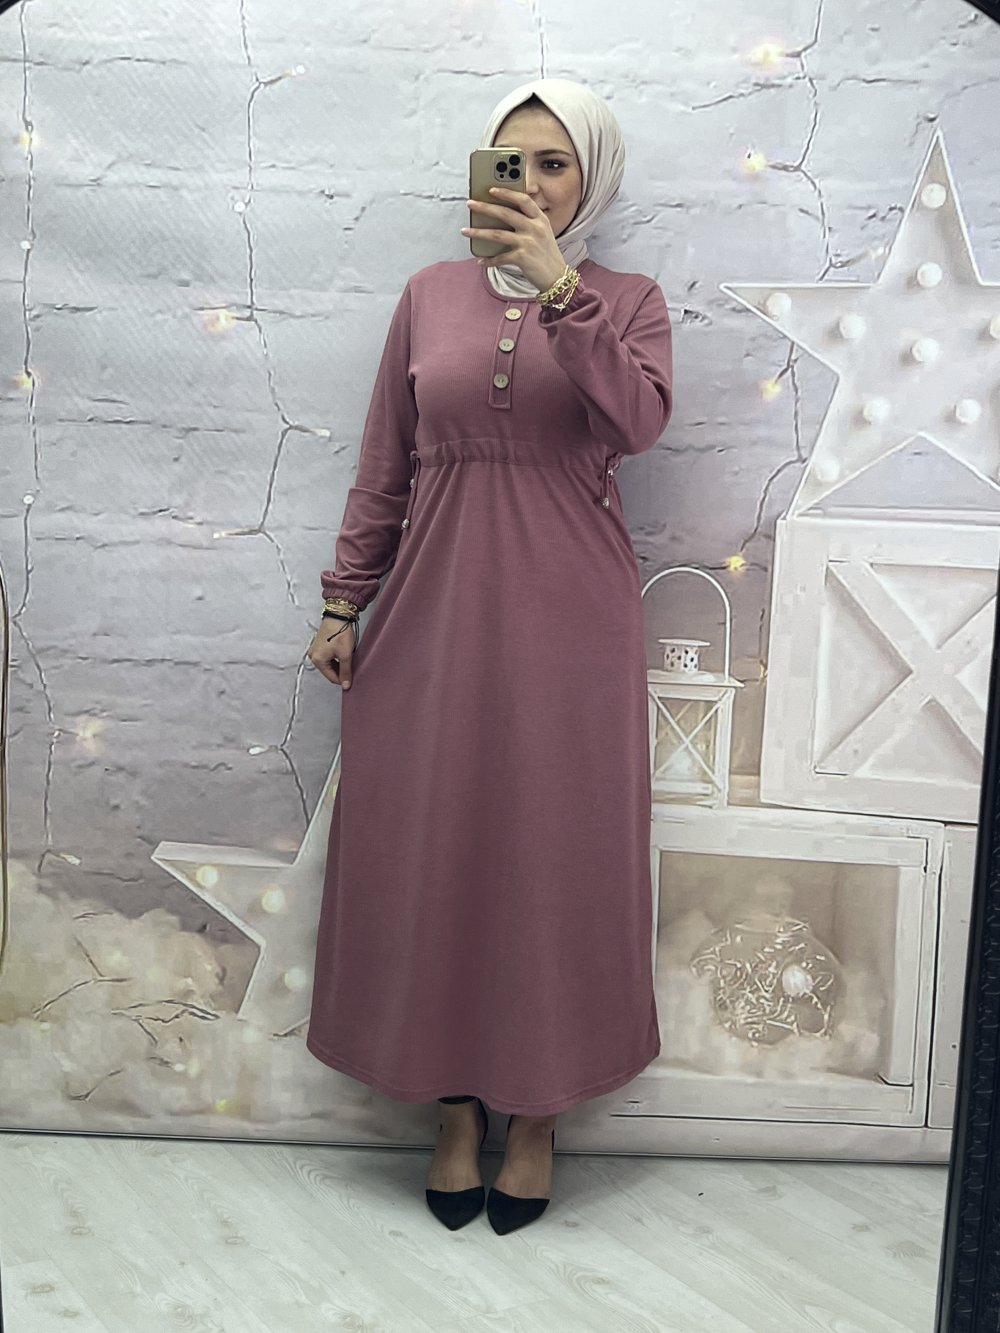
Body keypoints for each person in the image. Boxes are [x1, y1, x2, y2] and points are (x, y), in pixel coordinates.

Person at [305, 77, 674, 1235]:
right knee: (436, 846)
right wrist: (343, 600)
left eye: (556, 163)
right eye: (512, 160)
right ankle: (454, 1107)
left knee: (558, 858)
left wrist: (562, 290)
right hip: (432, 612)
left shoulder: (628, 301)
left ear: (591, 180)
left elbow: (638, 421)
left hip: (573, 623)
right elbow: (386, 463)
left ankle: (541, 1114)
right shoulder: (427, 296)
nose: (533, 182)